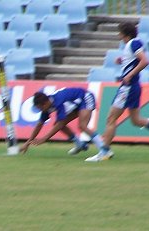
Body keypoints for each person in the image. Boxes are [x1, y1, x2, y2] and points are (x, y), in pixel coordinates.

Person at [85, 22, 149, 162]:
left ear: (125, 34)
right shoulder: (132, 45)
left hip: (128, 86)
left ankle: (104, 152)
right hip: (133, 86)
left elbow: (144, 61)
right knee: (136, 120)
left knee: (111, 119)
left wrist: (130, 74)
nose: (118, 35)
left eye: (120, 32)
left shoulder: (133, 43)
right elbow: (135, 60)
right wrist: (123, 60)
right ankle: (105, 151)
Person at [20, 87, 107, 158]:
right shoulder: (47, 105)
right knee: (58, 125)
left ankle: (104, 150)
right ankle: (80, 144)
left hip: (85, 97)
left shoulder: (58, 102)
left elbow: (60, 123)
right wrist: (27, 143)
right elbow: (39, 125)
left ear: (45, 103)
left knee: (82, 126)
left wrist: (44, 138)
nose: (40, 110)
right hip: (75, 103)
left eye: (40, 108)